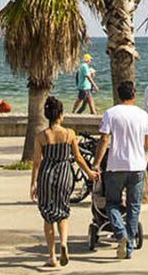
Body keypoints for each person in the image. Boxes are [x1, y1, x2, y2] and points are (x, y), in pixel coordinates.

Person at [30, 96, 96, 268]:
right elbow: (79, 157)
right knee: (63, 211)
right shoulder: (69, 134)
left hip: (46, 175)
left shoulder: (41, 136)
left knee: (48, 215)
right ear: (60, 114)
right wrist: (89, 173)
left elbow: (37, 161)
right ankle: (64, 244)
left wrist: (33, 183)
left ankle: (52, 256)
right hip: (65, 174)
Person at [93, 80, 148, 261]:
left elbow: (104, 140)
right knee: (134, 206)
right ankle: (129, 245)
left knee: (112, 203)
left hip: (116, 165)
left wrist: (96, 163)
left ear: (119, 95)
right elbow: (147, 144)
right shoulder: (143, 115)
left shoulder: (110, 113)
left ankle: (120, 234)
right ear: (133, 94)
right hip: (137, 166)